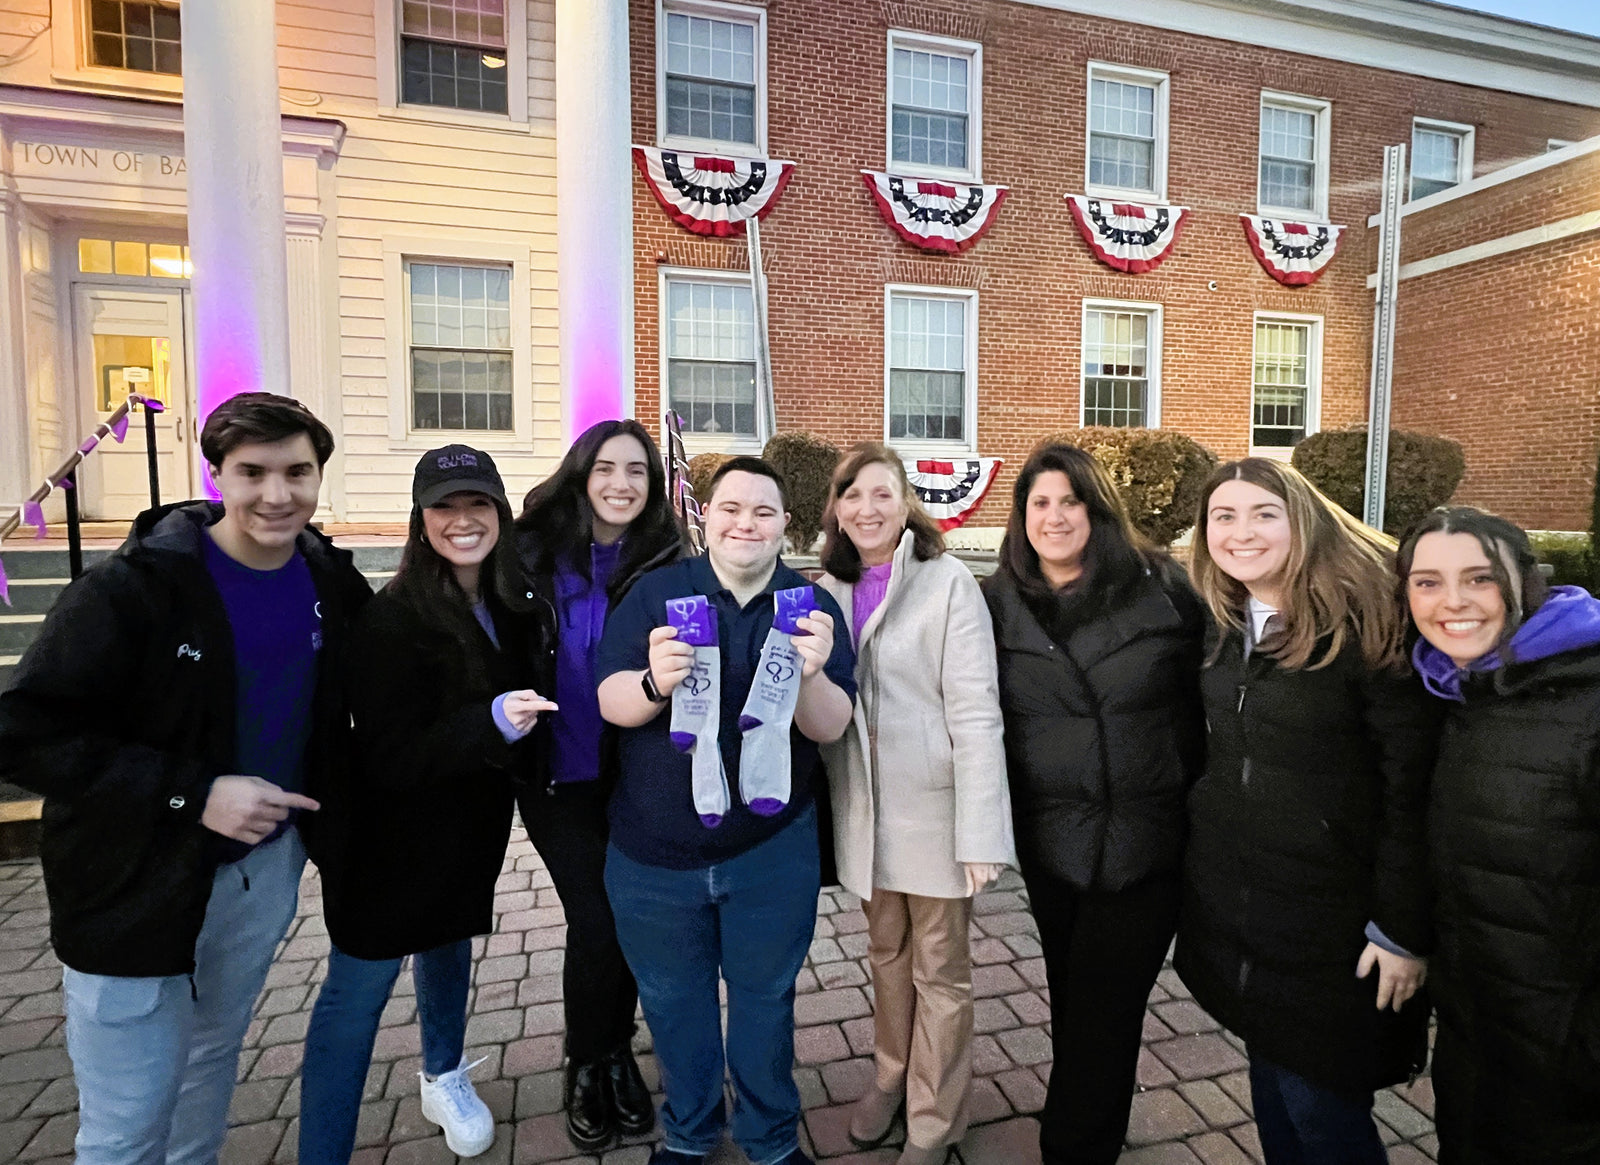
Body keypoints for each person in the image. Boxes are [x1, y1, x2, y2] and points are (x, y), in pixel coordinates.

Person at [0, 393, 370, 1165]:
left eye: (297, 471)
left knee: (209, 1062)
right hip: (132, 881)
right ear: (216, 476)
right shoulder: (133, 589)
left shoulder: (327, 577)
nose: (278, 493)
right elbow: (23, 730)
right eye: (253, 472)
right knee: (128, 1121)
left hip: (262, 868)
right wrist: (194, 792)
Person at [1175, 457, 1439, 1165]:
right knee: (1275, 1090)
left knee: (1321, 1110)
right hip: (1249, 912)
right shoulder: (1227, 624)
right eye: (1223, 516)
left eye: (1264, 513)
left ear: (1303, 519)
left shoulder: (1368, 626)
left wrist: (1404, 928)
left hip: (1337, 925)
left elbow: (1411, 789)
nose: (1242, 532)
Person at [596, 456, 857, 1165]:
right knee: (674, 1005)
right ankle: (688, 1131)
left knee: (766, 1002)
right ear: (705, 515)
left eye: (764, 511)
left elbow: (830, 726)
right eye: (732, 507)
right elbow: (610, 699)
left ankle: (771, 1138)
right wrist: (654, 680)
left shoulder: (812, 607)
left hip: (769, 851)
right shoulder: (658, 595)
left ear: (785, 526)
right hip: (654, 858)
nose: (746, 522)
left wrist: (809, 674)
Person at [298, 445, 556, 1161]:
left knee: (447, 944)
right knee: (357, 996)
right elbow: (389, 755)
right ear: (421, 519)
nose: (463, 519)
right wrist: (491, 722)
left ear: (501, 513)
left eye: (478, 503)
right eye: (444, 506)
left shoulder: (511, 602)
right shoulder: (392, 620)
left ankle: (443, 1072)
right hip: (388, 840)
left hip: (467, 825)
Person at [980, 443, 1206, 1165]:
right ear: (1020, 518)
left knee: (1107, 1009)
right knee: (1075, 996)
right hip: (1054, 843)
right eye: (1039, 503)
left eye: (1069, 501)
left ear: (1097, 508)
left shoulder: (1163, 589)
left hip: (1145, 841)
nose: (1054, 516)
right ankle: (1089, 1116)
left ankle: (1074, 1145)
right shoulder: (996, 603)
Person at [814, 443, 1016, 1165]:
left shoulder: (948, 581)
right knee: (886, 955)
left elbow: (975, 709)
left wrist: (981, 831)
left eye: (882, 493)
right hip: (865, 816)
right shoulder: (825, 590)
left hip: (933, 813)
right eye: (853, 495)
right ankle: (890, 1078)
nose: (867, 508)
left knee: (941, 970)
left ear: (907, 504)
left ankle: (936, 1117)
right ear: (835, 508)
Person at [1397, 506, 1600, 1163]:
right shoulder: (1462, 688)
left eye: (1479, 578)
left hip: (1569, 1075)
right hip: (1479, 1044)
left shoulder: (1583, 696)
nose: (1452, 601)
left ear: (1524, 582)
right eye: (1426, 581)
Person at [513, 418, 685, 1151]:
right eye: (607, 467)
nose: (621, 482)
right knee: (596, 916)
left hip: (634, 773)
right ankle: (593, 1059)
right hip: (556, 772)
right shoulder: (528, 553)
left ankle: (612, 1056)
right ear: (581, 473)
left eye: (637, 470)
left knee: (624, 916)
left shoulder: (668, 561)